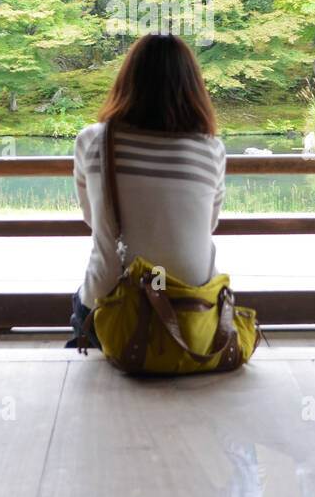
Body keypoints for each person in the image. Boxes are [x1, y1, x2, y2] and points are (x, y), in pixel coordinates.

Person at [65, 32, 227, 350]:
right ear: (193, 85)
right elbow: (206, 226)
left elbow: (94, 219)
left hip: (114, 310)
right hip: (194, 311)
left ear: (128, 79)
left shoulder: (93, 141)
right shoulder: (210, 150)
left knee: (84, 297)